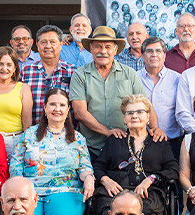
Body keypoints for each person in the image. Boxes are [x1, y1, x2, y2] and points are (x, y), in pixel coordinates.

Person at [10, 88, 95, 215]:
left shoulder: (78, 138)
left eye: (62, 105)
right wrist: (21, 189)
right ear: (45, 107)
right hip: (30, 192)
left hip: (66, 191)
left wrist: (89, 178)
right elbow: (16, 163)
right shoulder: (29, 134)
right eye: (53, 104)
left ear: (68, 109)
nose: (57, 109)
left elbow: (84, 167)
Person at [70, 26, 163, 157]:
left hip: (125, 147)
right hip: (91, 148)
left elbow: (145, 105)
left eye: (108, 47)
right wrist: (108, 132)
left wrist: (154, 129)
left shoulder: (129, 74)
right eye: (98, 46)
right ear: (91, 49)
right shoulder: (80, 75)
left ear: (115, 49)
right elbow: (79, 113)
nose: (103, 51)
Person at [92, 94, 179, 215]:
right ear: (124, 119)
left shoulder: (159, 141)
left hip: (147, 194)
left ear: (148, 116)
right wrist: (105, 180)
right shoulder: (115, 140)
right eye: (130, 113)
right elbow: (98, 166)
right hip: (115, 193)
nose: (134, 116)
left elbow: (173, 169)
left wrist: (151, 179)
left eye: (140, 112)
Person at [137, 37, 183, 157]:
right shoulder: (134, 79)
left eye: (158, 51)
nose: (154, 55)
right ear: (142, 56)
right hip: (141, 144)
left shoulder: (178, 79)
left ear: (164, 55)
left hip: (172, 143)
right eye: (149, 51)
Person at [21, 25, 75, 124]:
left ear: (61, 44)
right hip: (33, 134)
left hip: (65, 134)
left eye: (52, 42)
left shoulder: (73, 71)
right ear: (37, 45)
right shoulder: (26, 72)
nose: (48, 46)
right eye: (43, 42)